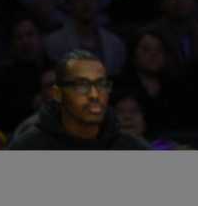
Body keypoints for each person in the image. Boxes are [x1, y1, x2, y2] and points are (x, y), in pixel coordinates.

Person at [8, 51, 150, 150]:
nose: (94, 95)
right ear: (58, 94)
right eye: (82, 86)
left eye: (101, 85)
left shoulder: (132, 147)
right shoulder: (28, 147)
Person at [45, 0, 128, 75]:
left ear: (99, 1)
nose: (86, 2)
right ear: (68, 3)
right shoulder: (54, 43)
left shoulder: (115, 44)